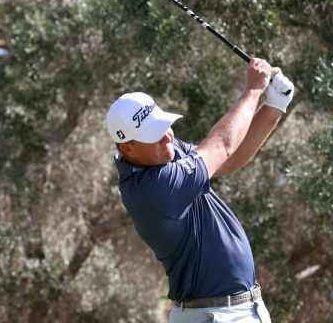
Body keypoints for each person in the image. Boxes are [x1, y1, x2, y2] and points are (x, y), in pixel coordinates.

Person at [106, 58, 294, 323]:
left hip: (239, 310)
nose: (167, 137)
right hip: (213, 316)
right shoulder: (154, 189)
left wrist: (274, 105)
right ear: (128, 148)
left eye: (163, 126)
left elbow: (225, 160)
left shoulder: (163, 155)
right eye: (153, 135)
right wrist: (252, 90)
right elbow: (221, 146)